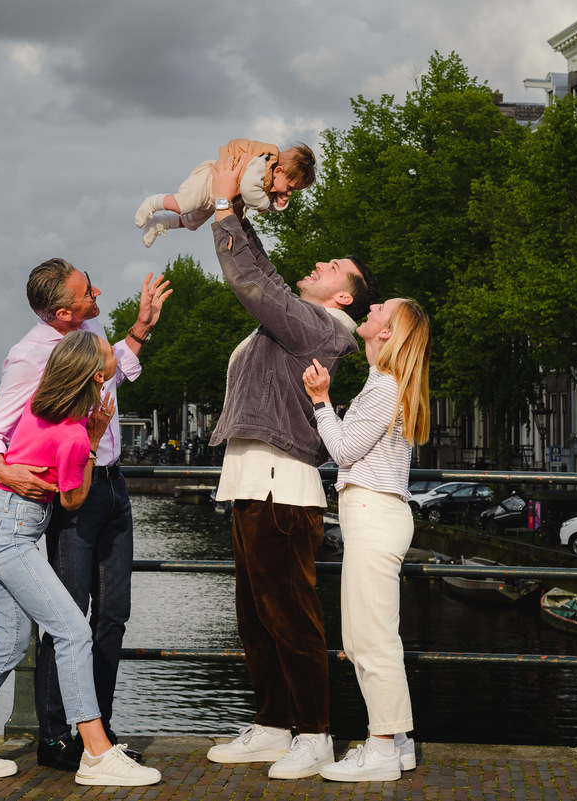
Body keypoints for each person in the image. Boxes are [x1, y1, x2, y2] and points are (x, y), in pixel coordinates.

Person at [204, 152, 377, 780]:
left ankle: (316, 733)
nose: (320, 262)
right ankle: (274, 726)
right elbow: (267, 277)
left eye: (333, 266)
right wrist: (240, 208)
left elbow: (256, 287)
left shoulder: (323, 330)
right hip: (250, 483)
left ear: (343, 295)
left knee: (292, 618)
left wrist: (226, 210)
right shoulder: (297, 323)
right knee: (255, 619)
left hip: (281, 489)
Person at [0, 258, 171, 771]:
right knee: (68, 617)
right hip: (72, 494)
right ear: (61, 311)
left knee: (112, 615)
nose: (97, 292)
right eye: (87, 291)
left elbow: (110, 371)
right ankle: (57, 736)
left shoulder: (89, 330)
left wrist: (141, 329)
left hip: (112, 486)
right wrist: (3, 469)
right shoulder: (28, 357)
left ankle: (98, 730)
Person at [0, 331, 160, 787]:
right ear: (97, 377)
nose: (113, 357)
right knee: (74, 630)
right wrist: (95, 441)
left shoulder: (39, 407)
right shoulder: (77, 433)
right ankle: (98, 754)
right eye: (107, 357)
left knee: (10, 641)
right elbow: (73, 501)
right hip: (11, 533)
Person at [302, 297, 431, 783]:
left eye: (380, 308)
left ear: (386, 332)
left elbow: (342, 448)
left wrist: (320, 401)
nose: (371, 306)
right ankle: (396, 743)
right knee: (363, 638)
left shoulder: (385, 387)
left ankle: (380, 748)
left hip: (374, 514)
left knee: (372, 640)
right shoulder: (385, 383)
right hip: (374, 514)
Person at [133, 139, 316, 247]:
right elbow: (249, 191)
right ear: (279, 172)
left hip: (219, 198)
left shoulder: (271, 182)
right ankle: (152, 202)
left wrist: (279, 204)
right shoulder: (262, 165)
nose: (290, 193)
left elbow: (265, 204)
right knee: (183, 204)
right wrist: (266, 204)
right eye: (291, 187)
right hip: (209, 179)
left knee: (192, 222)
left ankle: (160, 222)